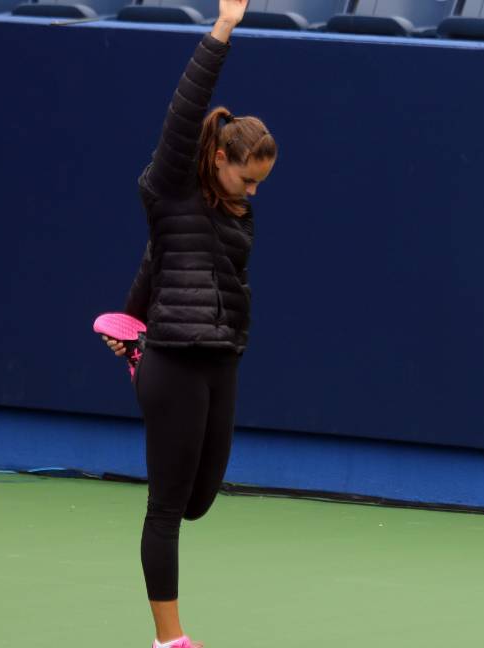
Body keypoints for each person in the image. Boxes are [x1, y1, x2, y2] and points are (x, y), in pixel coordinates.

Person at [100, 0, 276, 645]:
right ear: (220, 159)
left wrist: (127, 313)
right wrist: (223, 28)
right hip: (172, 359)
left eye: (260, 184)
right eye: (247, 179)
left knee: (202, 500)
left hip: (221, 359)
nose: (253, 192)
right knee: (168, 507)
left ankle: (133, 346)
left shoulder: (235, 216)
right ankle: (170, 639)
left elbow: (164, 258)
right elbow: (184, 112)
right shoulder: (169, 187)